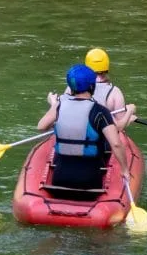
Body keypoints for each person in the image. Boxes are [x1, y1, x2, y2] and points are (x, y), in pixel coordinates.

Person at [35, 64, 127, 192]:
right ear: (91, 86)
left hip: (60, 178)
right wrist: (125, 170)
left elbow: (41, 127)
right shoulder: (100, 112)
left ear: (71, 87)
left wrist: (53, 105)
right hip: (90, 181)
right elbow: (116, 144)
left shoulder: (59, 106)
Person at [86, 47, 134, 122]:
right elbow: (119, 124)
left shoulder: (75, 87)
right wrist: (129, 113)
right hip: (104, 131)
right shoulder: (115, 92)